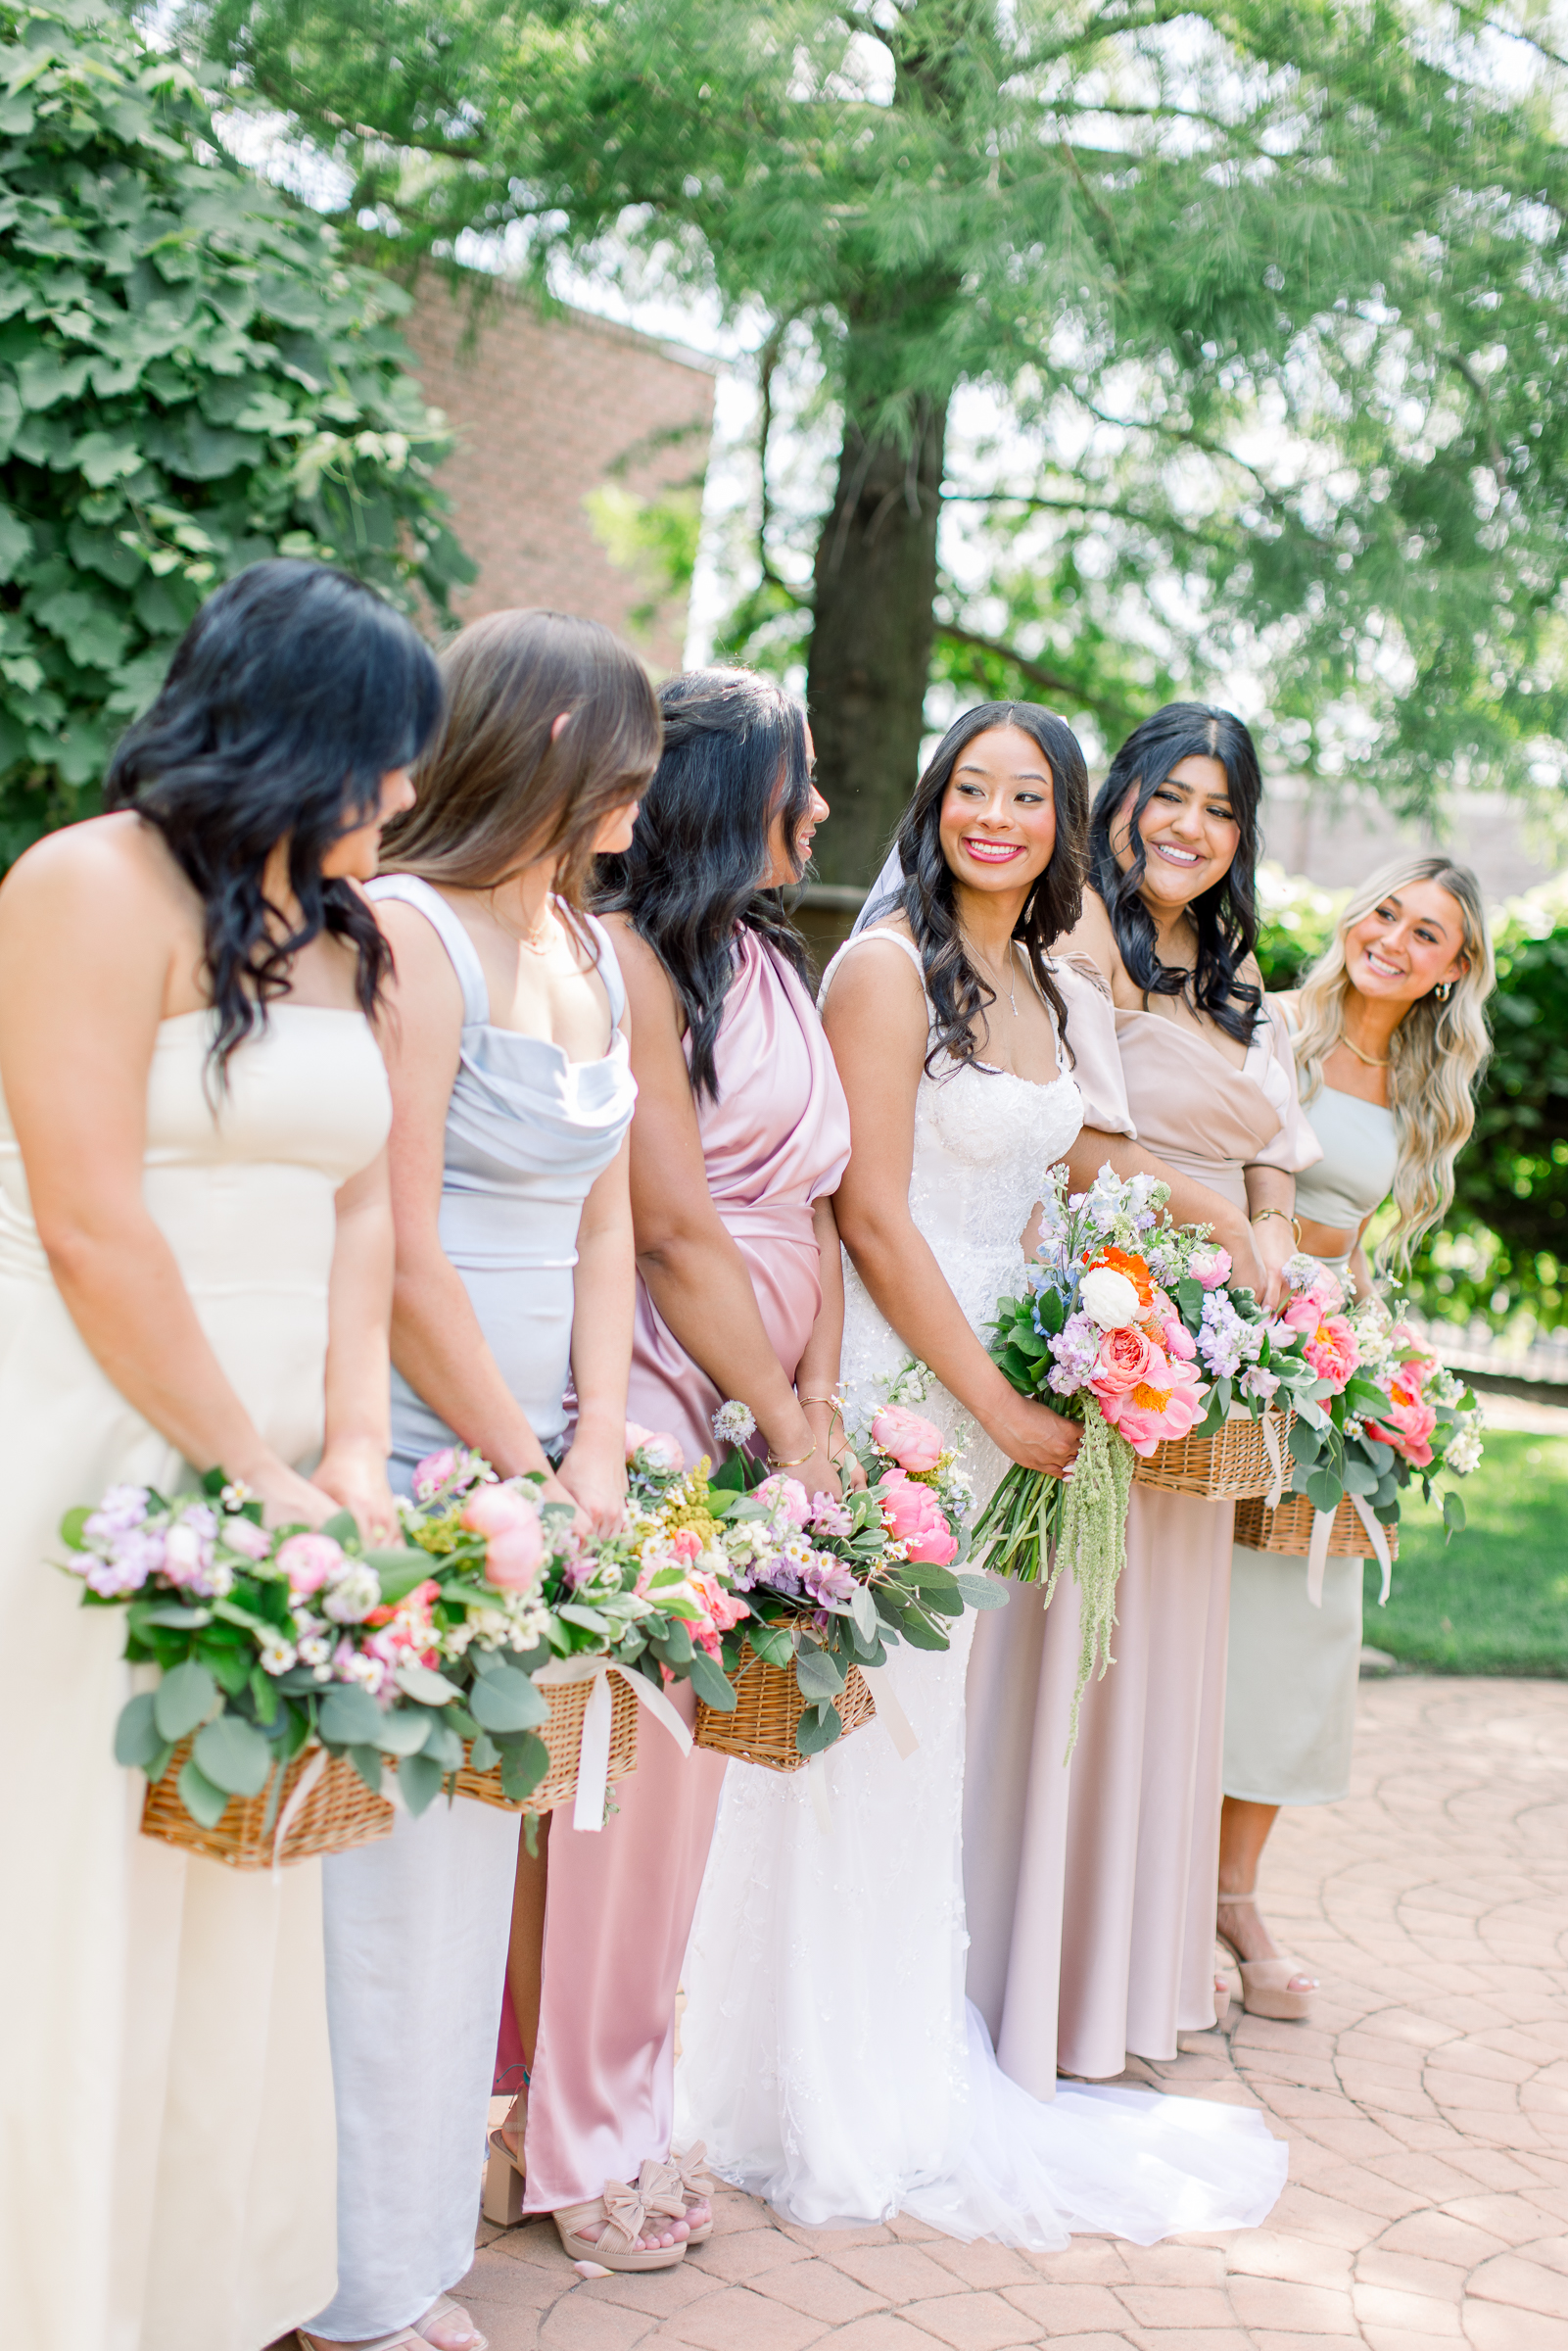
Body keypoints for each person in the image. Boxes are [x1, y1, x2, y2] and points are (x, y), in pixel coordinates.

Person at [678, 699, 1287, 2242]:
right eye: (971, 788)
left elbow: (1079, 1165)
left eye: (1028, 795)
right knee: (847, 1742)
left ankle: (885, 2058)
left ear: (1065, 822)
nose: (995, 815)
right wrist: (1001, 1415)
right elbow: (871, 1218)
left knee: (917, 1748)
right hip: (898, 1381)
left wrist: (1214, 1255)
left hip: (996, 1370)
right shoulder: (884, 974)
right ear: (935, 803)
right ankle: (776, 2083)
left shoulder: (1047, 986)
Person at [0, 558, 439, 2351]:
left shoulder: (354, 931)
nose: (402, 799)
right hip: (87, 1435)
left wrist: (345, 1446)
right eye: (384, 759)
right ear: (292, 729)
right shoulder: (84, 886)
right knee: (73, 1866)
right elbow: (92, 1223)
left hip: (275, 1457)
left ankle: (179, 2296)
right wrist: (244, 1478)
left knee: (223, 1864)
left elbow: (359, 1219)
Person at [304, 610, 660, 2343]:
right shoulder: (406, 934)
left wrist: (599, 1440)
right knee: (376, 1864)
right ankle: (342, 2273)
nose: (647, 792)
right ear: (553, 745)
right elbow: (400, 1244)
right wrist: (522, 1461)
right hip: (414, 1427)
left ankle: (414, 2242)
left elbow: (607, 1234)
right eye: (629, 758)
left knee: (472, 1851)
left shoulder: (589, 949)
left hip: (549, 1451)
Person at [492, 668, 855, 2268]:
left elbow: (821, 1206)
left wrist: (826, 1402)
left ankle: (605, 2106)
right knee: (622, 1798)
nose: (826, 807)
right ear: (727, 796)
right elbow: (668, 1226)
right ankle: (573, 2139)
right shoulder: (628, 966)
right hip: (650, 1387)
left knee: (685, 1805)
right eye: (803, 779)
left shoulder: (773, 963)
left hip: (770, 1393)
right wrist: (775, 1420)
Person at [965, 701, 1322, 2098]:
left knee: (1170, 1643)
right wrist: (1231, 1245)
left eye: (1220, 810)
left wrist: (1274, 1240)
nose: (1190, 828)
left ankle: (1127, 1974)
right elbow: (1086, 1142)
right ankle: (1033, 1975)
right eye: (1169, 796)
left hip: (1213, 1335)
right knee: (1083, 1640)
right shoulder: (1080, 939)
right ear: (1119, 800)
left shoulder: (1224, 965)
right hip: (1111, 1306)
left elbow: (1273, 1136)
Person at [1218, 855, 1494, 2015]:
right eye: (1383, 910)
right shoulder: (1265, 1025)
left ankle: (1231, 1897)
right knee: (1197, 1618)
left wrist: (1382, 1367)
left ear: (1452, 969)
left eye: (1424, 932)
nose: (1391, 939)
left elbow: (1355, 1235)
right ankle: (1146, 1883)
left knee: (1302, 1625)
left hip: (1327, 1363)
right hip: (1222, 1334)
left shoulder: (1425, 1087)